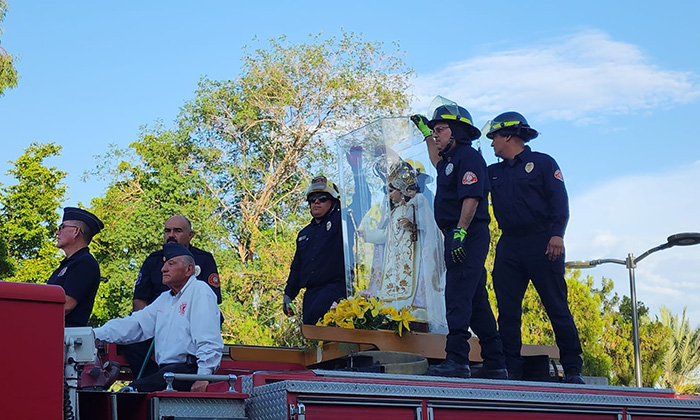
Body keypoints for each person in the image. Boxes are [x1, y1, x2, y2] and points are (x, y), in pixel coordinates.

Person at [486, 111, 584, 384]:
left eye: (494, 137)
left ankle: (573, 367)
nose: (492, 143)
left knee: (556, 305)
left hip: (543, 241)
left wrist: (557, 235)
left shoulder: (542, 163)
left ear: (508, 135)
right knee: (507, 310)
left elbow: (559, 201)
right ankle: (510, 367)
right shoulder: (492, 172)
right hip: (509, 244)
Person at [412, 105, 507, 379]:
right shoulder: (451, 159)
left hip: (467, 234)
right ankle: (495, 360)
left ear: (458, 132)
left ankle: (457, 359)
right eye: (435, 130)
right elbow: (436, 162)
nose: (436, 134)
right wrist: (426, 135)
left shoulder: (468, 157)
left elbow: (472, 197)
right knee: (475, 299)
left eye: (440, 129)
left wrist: (460, 232)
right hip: (456, 234)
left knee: (456, 294)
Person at [94, 243, 224, 392]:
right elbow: (136, 324)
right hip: (168, 373)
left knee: (130, 394)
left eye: (171, 263)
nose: (163, 269)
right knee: (131, 393)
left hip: (187, 372)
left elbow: (208, 338)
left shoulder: (200, 291)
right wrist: (95, 334)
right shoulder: (165, 299)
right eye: (164, 264)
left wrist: (203, 376)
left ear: (189, 269)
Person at [124, 215, 221, 380]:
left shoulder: (204, 259)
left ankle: (189, 371)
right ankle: (153, 378)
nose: (171, 235)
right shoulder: (153, 260)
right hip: (157, 319)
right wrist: (156, 324)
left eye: (177, 231)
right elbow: (139, 300)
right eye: (167, 231)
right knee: (129, 339)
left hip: (190, 318)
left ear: (190, 235)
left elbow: (211, 301)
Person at [361, 160, 447, 333]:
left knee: (412, 289)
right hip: (395, 263)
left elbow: (430, 226)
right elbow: (386, 236)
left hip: (414, 259)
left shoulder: (418, 203)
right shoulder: (392, 213)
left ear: (401, 190)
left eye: (391, 191)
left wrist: (413, 222)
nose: (389, 195)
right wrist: (366, 235)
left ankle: (416, 310)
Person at [284, 176, 347, 325]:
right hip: (311, 291)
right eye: (312, 199)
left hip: (335, 286)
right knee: (308, 327)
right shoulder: (304, 234)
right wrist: (288, 295)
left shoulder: (342, 221)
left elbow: (361, 203)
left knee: (318, 317)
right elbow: (297, 268)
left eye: (323, 198)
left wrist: (355, 167)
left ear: (334, 202)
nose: (316, 202)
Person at [48, 207, 104, 327]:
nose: (57, 232)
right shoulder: (69, 263)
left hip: (67, 340)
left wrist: (31, 315)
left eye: (62, 227)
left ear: (76, 231)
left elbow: (66, 305)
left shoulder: (85, 263)